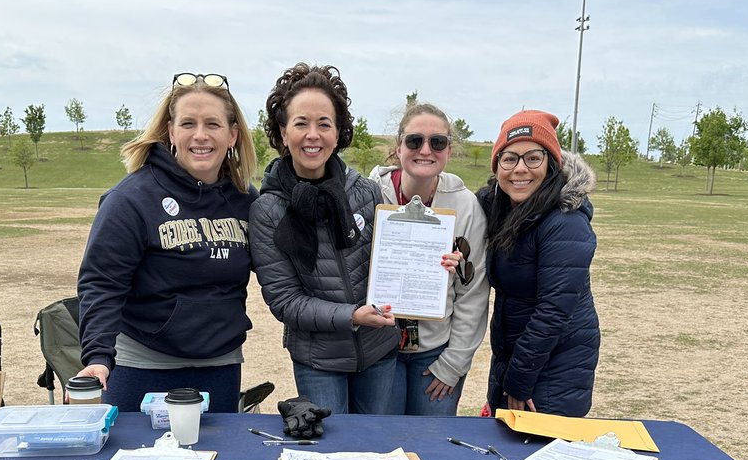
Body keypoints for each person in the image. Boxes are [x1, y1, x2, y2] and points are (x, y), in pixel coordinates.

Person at [76, 73, 257, 412]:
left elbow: (280, 273)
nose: (200, 135)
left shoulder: (247, 201)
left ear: (232, 135)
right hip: (142, 368)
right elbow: (101, 282)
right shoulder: (130, 199)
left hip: (220, 367)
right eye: (188, 123)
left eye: (213, 124)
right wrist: (98, 356)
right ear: (171, 132)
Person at [248, 63, 399, 414]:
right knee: (332, 456)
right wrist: (352, 316)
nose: (312, 134)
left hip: (379, 352)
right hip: (319, 361)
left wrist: (432, 266)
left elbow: (392, 265)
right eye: (301, 123)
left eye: (324, 124)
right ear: (283, 133)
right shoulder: (268, 209)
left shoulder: (366, 191)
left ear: (338, 132)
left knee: (373, 451)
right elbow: (285, 301)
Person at [368, 103, 489, 415]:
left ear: (448, 149)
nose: (425, 150)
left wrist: (454, 362)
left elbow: (472, 292)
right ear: (398, 147)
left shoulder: (466, 206)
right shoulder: (369, 195)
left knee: (431, 444)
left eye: (437, 142)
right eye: (414, 141)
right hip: (379, 348)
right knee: (384, 444)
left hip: (436, 352)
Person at [478, 110, 599, 417]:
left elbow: (554, 310)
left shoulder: (564, 221)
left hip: (553, 370)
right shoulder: (504, 210)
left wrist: (518, 381)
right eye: (509, 159)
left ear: (551, 163)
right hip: (518, 359)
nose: (520, 169)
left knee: (535, 457)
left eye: (532, 158)